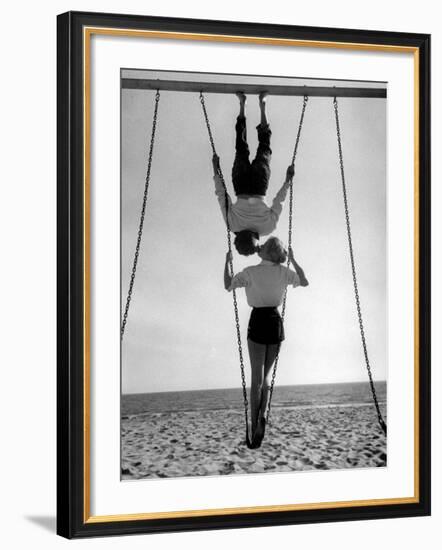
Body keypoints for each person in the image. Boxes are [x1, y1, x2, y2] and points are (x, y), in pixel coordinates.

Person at [224, 236, 309, 447]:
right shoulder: (283, 272)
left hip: (258, 321)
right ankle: (264, 413)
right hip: (275, 322)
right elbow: (304, 281)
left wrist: (227, 262)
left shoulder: (250, 272)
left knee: (257, 379)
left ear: (265, 252)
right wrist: (294, 261)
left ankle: (254, 426)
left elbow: (228, 285)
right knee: (267, 376)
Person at [212, 92, 295, 256]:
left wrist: (287, 182)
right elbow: (222, 196)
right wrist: (216, 170)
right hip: (242, 186)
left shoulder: (267, 228)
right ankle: (244, 105)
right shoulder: (233, 226)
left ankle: (259, 105)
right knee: (241, 147)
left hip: (258, 187)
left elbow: (279, 201)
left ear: (256, 243)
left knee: (263, 147)